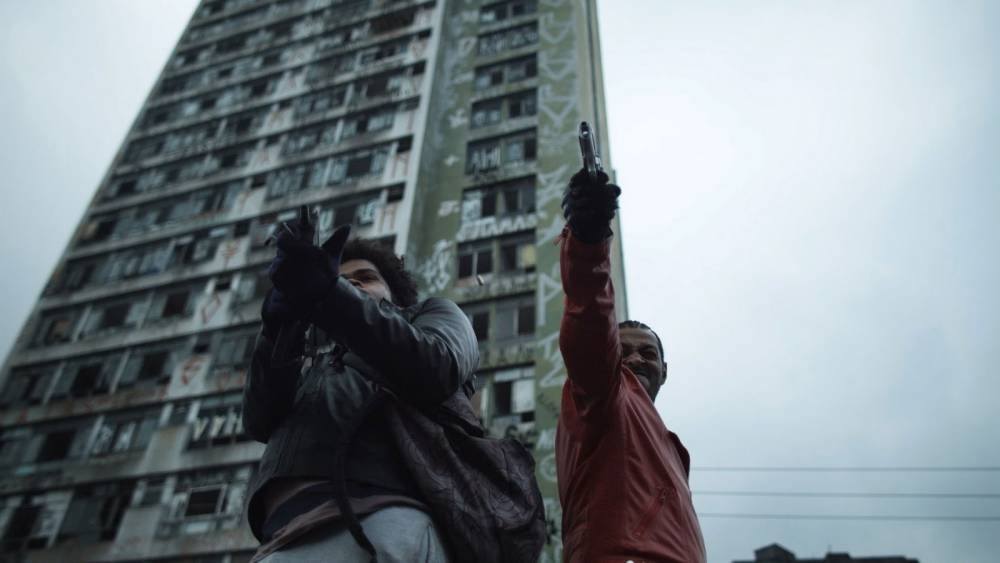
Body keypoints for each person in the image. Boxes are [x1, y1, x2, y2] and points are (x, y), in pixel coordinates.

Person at [242, 221, 479, 562]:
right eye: (340, 278)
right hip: (282, 535)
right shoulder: (312, 358)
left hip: (379, 521)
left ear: (395, 293)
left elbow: (439, 367)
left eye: (365, 278)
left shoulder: (430, 315)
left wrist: (331, 293)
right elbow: (258, 421)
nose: (351, 284)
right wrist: (279, 329)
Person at [556, 170, 707, 562]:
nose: (637, 358)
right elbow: (589, 317)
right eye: (623, 351)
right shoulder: (601, 395)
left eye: (648, 354)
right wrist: (588, 241)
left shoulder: (666, 443)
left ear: (665, 371)